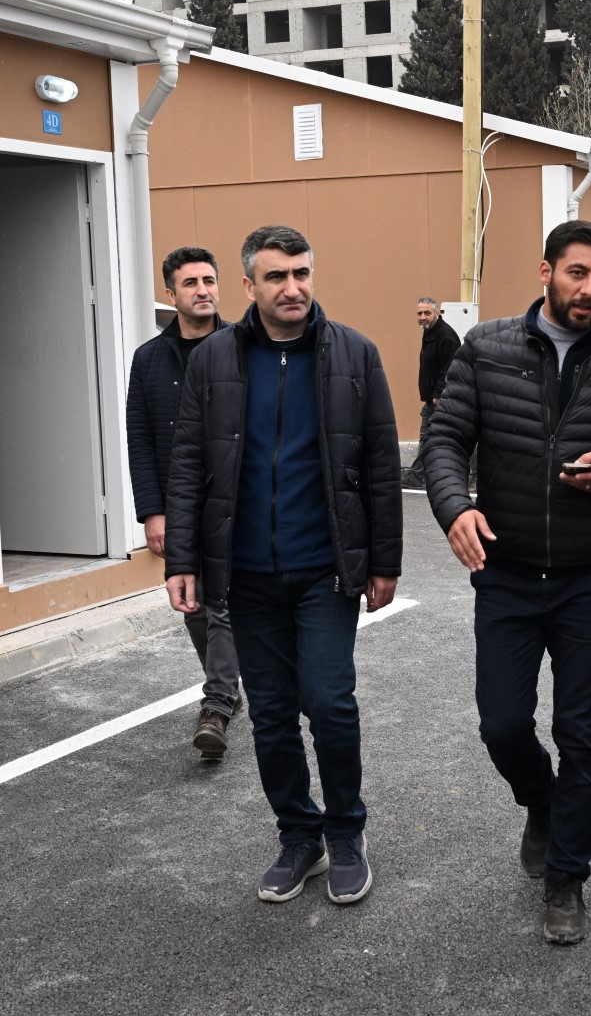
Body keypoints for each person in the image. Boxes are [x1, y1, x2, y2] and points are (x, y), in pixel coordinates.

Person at [423, 220, 591, 947]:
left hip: (589, 576)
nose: (590, 288)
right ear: (546, 272)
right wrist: (454, 507)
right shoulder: (487, 347)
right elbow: (445, 439)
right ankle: (543, 802)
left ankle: (567, 878)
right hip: (505, 572)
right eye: (577, 273)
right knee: (502, 725)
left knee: (581, 733)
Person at [164, 225, 402, 905]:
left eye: (301, 273)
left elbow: (381, 462)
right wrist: (182, 557)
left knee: (329, 703)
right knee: (270, 715)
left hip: (325, 569)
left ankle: (346, 833)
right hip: (246, 574)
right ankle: (299, 836)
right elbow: (189, 462)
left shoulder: (354, 353)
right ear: (249, 286)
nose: (292, 287)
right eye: (276, 276)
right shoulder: (213, 360)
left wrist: (384, 560)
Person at [126, 246, 242, 760]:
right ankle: (228, 687)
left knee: (223, 603)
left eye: (209, 280)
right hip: (177, 503)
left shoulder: (243, 347)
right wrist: (153, 511)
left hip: (235, 499)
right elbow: (140, 439)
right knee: (192, 602)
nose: (203, 290)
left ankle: (216, 705)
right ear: (171, 294)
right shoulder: (149, 359)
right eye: (191, 283)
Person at [406, 296, 461, 487]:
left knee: (432, 436)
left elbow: (450, 367)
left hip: (442, 398)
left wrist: (438, 394)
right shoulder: (430, 332)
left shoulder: (446, 336)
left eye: (427, 313)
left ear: (436, 313)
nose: (422, 317)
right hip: (434, 398)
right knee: (444, 436)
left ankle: (417, 476)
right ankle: (418, 475)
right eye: (419, 313)